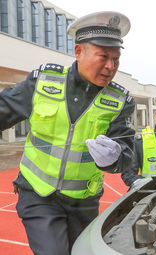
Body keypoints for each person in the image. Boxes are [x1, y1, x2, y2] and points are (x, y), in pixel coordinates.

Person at [0, 11, 135, 255]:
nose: (110, 66)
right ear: (78, 52)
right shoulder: (42, 83)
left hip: (84, 202)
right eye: (103, 56)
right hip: (39, 195)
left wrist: (116, 157)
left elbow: (127, 154)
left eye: (116, 59)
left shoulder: (120, 101)